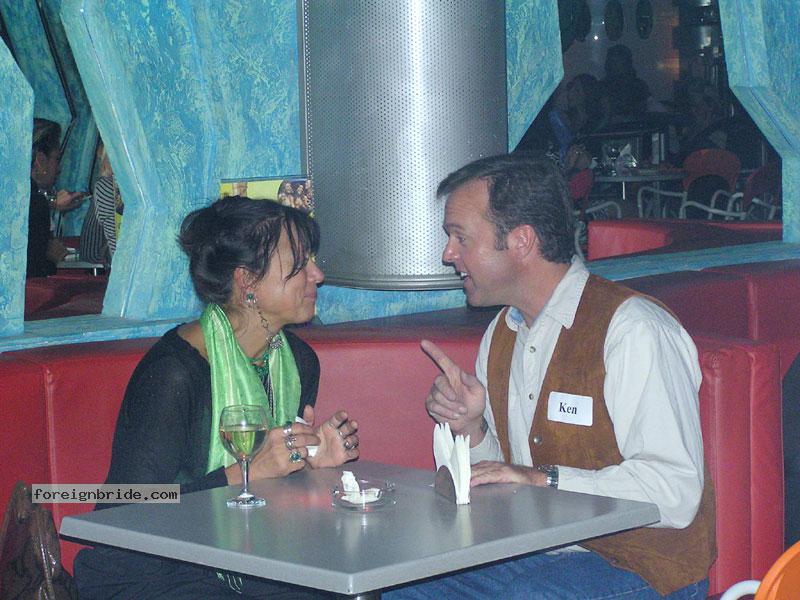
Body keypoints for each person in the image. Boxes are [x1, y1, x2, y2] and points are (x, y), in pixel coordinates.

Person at [397, 155, 715, 598]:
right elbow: (503, 481)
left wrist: (545, 479)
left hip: (644, 567)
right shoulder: (502, 333)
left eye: (460, 237)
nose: (448, 254)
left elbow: (675, 492)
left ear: (521, 241)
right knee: (402, 584)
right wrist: (471, 426)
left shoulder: (632, 329)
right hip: (539, 554)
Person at [74, 196, 358, 599]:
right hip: (152, 573)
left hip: (255, 558)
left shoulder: (299, 362)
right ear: (247, 282)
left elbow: (273, 501)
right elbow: (125, 513)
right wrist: (241, 475)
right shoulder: (174, 373)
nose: (318, 274)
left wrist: (312, 466)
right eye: (299, 263)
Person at [27, 118, 87, 277]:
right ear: (40, 160)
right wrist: (53, 258)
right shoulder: (36, 205)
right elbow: (33, 272)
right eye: (57, 159)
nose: (59, 168)